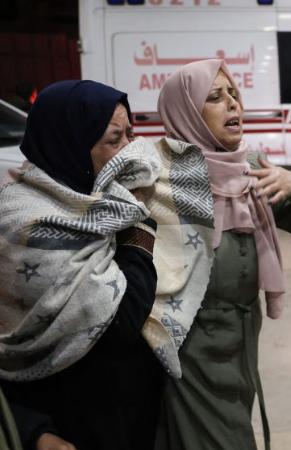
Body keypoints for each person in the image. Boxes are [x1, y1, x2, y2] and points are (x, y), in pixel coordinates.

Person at [153, 59, 291, 450]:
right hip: (187, 352)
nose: (233, 105)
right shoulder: (158, 179)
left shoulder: (250, 172)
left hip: (240, 344)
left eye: (235, 94)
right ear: (186, 111)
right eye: (216, 97)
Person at [0, 80, 162, 450]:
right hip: (65, 420)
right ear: (69, 144)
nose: (130, 151)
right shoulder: (23, 221)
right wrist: (139, 225)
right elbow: (125, 317)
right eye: (114, 139)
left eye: (131, 134)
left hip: (126, 413)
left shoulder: (98, 206)